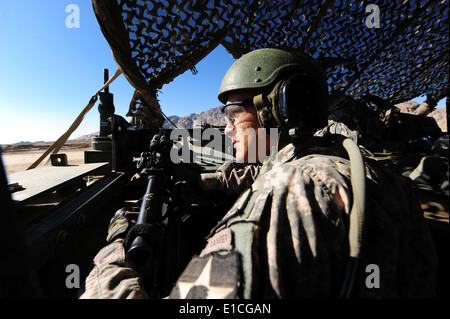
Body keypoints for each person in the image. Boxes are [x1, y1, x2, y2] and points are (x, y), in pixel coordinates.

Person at [80, 48, 439, 299]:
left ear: (276, 109)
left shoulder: (284, 196)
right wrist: (205, 183)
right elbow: (262, 173)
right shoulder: (355, 167)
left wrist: (112, 257)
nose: (227, 129)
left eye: (233, 113)